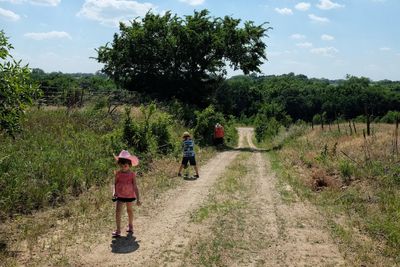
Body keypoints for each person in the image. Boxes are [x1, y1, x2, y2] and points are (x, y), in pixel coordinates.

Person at [112, 150, 141, 238]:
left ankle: (130, 225)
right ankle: (118, 230)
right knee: (118, 212)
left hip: (129, 195)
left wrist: (138, 198)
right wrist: (114, 193)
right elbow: (115, 184)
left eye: (125, 165)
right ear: (119, 164)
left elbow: (135, 186)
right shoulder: (118, 173)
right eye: (121, 165)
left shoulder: (132, 174)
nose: (123, 167)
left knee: (129, 210)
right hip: (120, 195)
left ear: (129, 165)